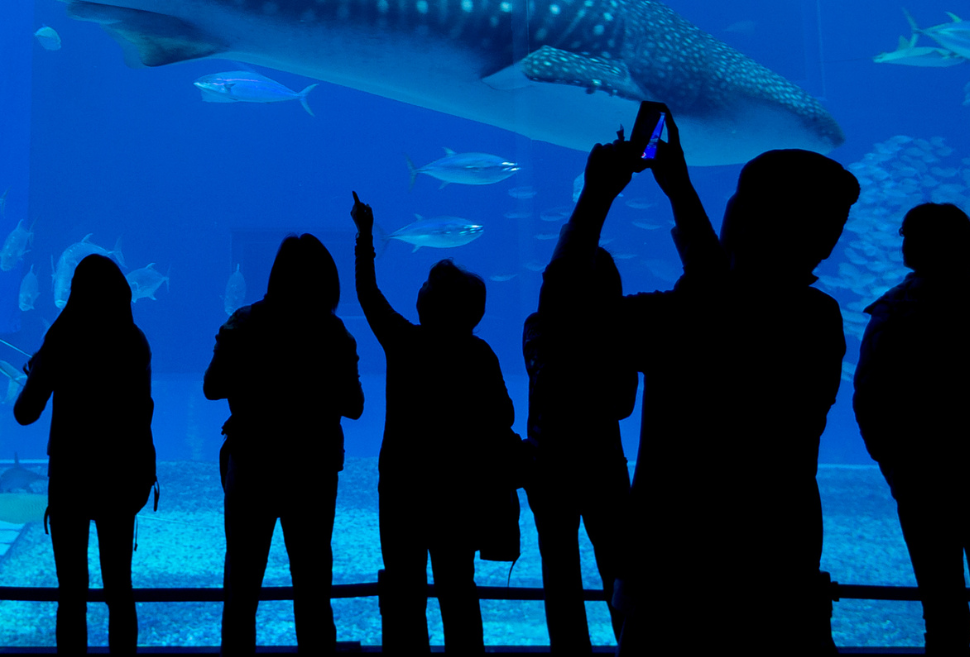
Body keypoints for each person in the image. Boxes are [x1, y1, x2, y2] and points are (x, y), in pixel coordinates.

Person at [551, 104, 859, 657]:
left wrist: (596, 196)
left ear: (740, 220)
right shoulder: (818, 319)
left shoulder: (686, 319)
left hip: (674, 578)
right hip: (779, 569)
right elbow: (728, 293)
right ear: (824, 240)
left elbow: (566, 316)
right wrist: (680, 191)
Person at [351, 192, 516, 656]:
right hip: (457, 493)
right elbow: (504, 414)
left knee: (404, 592)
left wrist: (365, 236)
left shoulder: (405, 343)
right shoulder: (479, 354)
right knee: (458, 589)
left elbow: (368, 294)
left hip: (403, 490)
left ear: (426, 305)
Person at [854, 202, 970, 656]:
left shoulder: (893, 315)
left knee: (941, 604)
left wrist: (896, 463)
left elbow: (869, 399)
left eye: (910, 236)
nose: (903, 243)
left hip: (921, 477)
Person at [204, 234, 364, 654]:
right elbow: (355, 405)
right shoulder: (333, 333)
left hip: (252, 465)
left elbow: (211, 385)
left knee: (241, 586)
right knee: (313, 587)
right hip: (312, 471)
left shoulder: (243, 323)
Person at [13, 253, 156, 655]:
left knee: (71, 592)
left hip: (72, 481)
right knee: (119, 589)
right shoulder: (134, 341)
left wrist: (41, 365)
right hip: (120, 477)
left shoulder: (63, 338)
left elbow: (25, 413)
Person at [523, 243, 635, 653]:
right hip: (602, 465)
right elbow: (623, 404)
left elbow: (548, 380)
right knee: (621, 570)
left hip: (549, 466)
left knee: (561, 577)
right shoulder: (618, 335)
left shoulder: (538, 329)